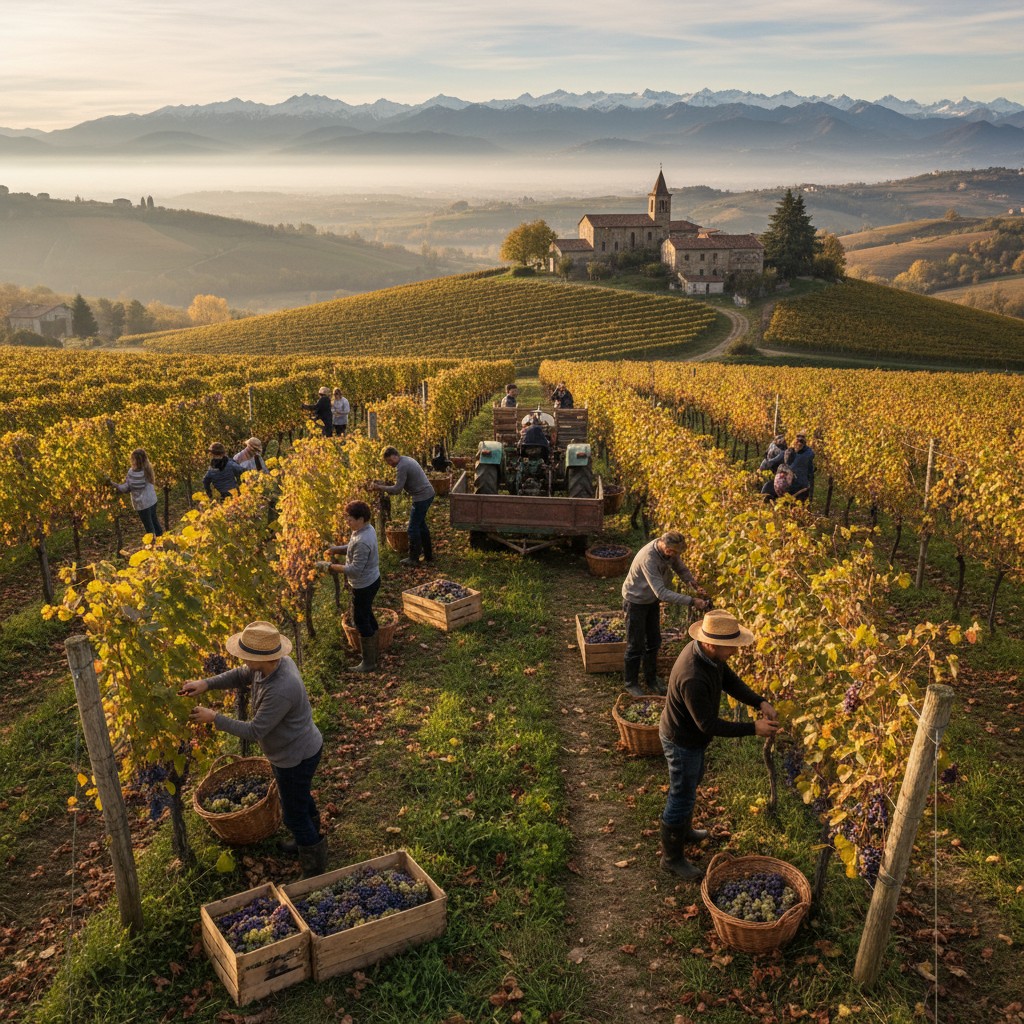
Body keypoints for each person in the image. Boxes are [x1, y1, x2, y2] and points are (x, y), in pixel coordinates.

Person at [179, 621, 327, 876]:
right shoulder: (269, 668)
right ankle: (310, 838)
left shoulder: (281, 689)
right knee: (299, 799)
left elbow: (254, 731)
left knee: (292, 813)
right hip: (293, 751)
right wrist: (206, 683)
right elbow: (241, 675)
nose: (244, 661)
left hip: (295, 756)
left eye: (247, 657)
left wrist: (214, 718)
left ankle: (314, 865)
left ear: (263, 658)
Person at [659, 610, 779, 880]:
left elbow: (729, 680)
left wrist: (759, 701)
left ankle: (685, 830)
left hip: (692, 739)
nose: (735, 652)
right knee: (681, 795)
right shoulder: (693, 676)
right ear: (711, 643)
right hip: (682, 741)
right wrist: (753, 728)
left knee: (691, 783)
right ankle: (671, 858)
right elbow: (708, 725)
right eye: (731, 647)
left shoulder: (708, 655)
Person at [621, 531, 709, 697]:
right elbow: (661, 592)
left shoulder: (669, 551)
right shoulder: (649, 558)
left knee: (654, 641)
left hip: (650, 600)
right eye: (673, 553)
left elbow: (680, 568)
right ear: (665, 546)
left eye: (677, 553)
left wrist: (693, 584)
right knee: (635, 644)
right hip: (636, 601)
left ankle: (651, 679)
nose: (675, 556)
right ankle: (631, 683)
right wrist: (692, 601)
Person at [323, 500, 381, 673]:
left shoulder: (362, 539)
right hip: (372, 580)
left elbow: (354, 571)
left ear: (361, 519)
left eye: (350, 519)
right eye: (346, 518)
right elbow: (352, 548)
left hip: (363, 585)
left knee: (361, 620)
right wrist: (336, 549)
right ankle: (375, 650)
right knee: (366, 613)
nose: (347, 522)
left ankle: (369, 663)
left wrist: (329, 567)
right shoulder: (365, 530)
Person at [371, 447, 435, 567]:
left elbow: (397, 490)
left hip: (422, 497)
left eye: (390, 461)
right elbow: (399, 483)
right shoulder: (406, 460)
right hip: (428, 494)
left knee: (412, 528)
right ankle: (428, 554)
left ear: (395, 456)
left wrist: (380, 487)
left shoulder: (402, 466)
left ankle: (414, 558)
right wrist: (385, 484)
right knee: (421, 525)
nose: (390, 464)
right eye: (387, 462)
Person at [110, 448, 163, 537]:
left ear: (136, 460)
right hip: (152, 501)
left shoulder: (133, 472)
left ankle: (155, 546)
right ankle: (162, 541)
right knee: (155, 522)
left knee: (149, 528)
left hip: (142, 504)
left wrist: (114, 485)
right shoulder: (147, 469)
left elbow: (127, 488)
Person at [789, 432, 815, 501]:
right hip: (793, 483)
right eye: (798, 439)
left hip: (801, 485)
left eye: (801, 440)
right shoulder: (791, 451)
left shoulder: (808, 453)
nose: (799, 442)